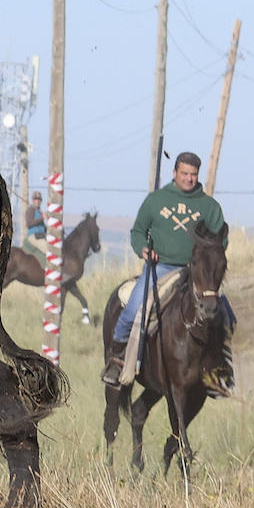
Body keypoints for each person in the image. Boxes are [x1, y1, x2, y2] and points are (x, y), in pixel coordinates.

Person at [102, 151, 227, 385]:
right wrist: (144, 250)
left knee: (225, 312)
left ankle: (221, 366)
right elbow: (138, 231)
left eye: (193, 174)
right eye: (185, 173)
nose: (189, 178)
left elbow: (220, 241)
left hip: (196, 272)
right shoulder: (156, 200)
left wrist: (211, 259)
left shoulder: (209, 207)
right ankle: (117, 360)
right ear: (175, 173)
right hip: (161, 267)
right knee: (134, 308)